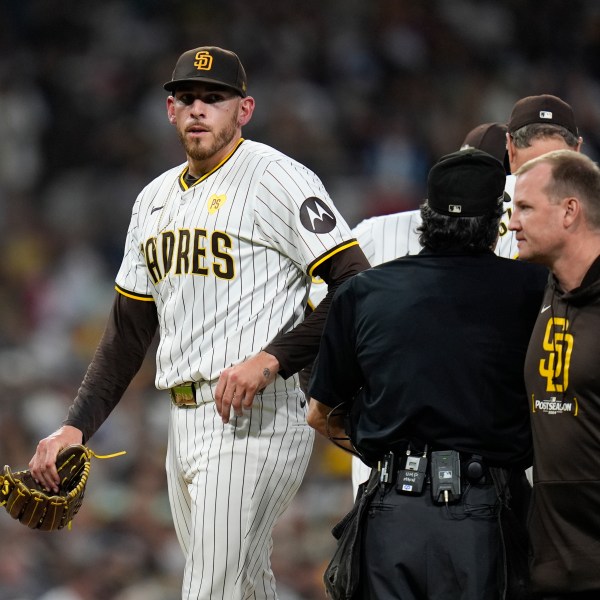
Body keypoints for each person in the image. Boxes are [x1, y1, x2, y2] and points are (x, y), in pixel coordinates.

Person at [29, 45, 369, 600]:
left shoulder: (277, 178)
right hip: (182, 423)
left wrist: (273, 357)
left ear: (245, 109)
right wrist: (76, 426)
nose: (198, 108)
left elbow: (356, 281)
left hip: (257, 413)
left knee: (210, 590)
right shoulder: (153, 200)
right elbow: (127, 333)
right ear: (169, 109)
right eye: (186, 97)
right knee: (246, 585)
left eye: (214, 98)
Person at [307, 148, 548, 599]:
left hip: (390, 511)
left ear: (426, 215)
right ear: (498, 221)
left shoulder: (365, 291)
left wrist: (383, 448)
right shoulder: (536, 290)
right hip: (488, 512)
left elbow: (319, 414)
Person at [508, 150, 600, 598]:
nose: (511, 224)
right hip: (551, 569)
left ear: (569, 211)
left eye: (524, 208)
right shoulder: (544, 292)